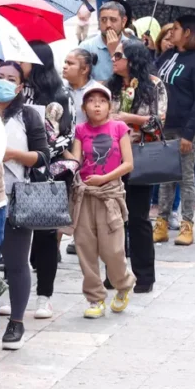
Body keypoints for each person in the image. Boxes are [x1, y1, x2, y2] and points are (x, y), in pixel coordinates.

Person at [0, 62, 49, 347]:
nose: (3, 82)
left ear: (20, 87)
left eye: (11, 79)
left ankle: (16, 322)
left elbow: (43, 156)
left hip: (16, 196)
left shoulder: (28, 116)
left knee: (15, 261)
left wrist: (13, 154)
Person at [64, 84, 135, 318]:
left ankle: (123, 284)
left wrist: (104, 178)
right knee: (85, 247)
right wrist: (59, 145)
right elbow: (75, 160)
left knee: (113, 249)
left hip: (110, 194)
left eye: (102, 101)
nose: (96, 104)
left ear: (109, 106)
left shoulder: (119, 128)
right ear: (84, 107)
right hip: (84, 194)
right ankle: (95, 298)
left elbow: (128, 164)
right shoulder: (80, 130)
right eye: (91, 100)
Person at [16, 42, 71, 319]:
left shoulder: (59, 97)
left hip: (45, 174)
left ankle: (44, 296)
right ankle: (18, 295)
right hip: (15, 173)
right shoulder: (14, 90)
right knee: (17, 237)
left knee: (46, 237)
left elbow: (65, 137)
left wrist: (38, 148)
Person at [107, 41, 166, 290]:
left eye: (119, 55)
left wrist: (129, 119)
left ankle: (144, 276)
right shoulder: (111, 87)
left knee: (138, 219)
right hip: (110, 158)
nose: (114, 59)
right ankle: (115, 273)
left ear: (132, 59)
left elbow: (158, 121)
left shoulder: (153, 85)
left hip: (139, 155)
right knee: (112, 219)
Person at [153, 15, 195, 246]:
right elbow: (153, 78)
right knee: (165, 178)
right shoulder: (168, 55)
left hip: (185, 127)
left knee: (186, 178)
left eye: (175, 29)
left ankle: (187, 224)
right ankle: (162, 223)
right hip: (163, 126)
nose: (171, 33)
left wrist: (190, 133)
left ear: (187, 32)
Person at [79, 1, 129, 82]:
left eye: (113, 20)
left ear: (123, 21)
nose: (108, 24)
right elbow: (78, 81)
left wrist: (114, 52)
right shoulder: (86, 47)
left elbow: (134, 79)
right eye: (103, 20)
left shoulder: (132, 47)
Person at [62, 48, 98, 125]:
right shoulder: (58, 87)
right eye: (65, 62)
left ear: (85, 69)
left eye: (70, 63)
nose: (64, 66)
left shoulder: (98, 91)